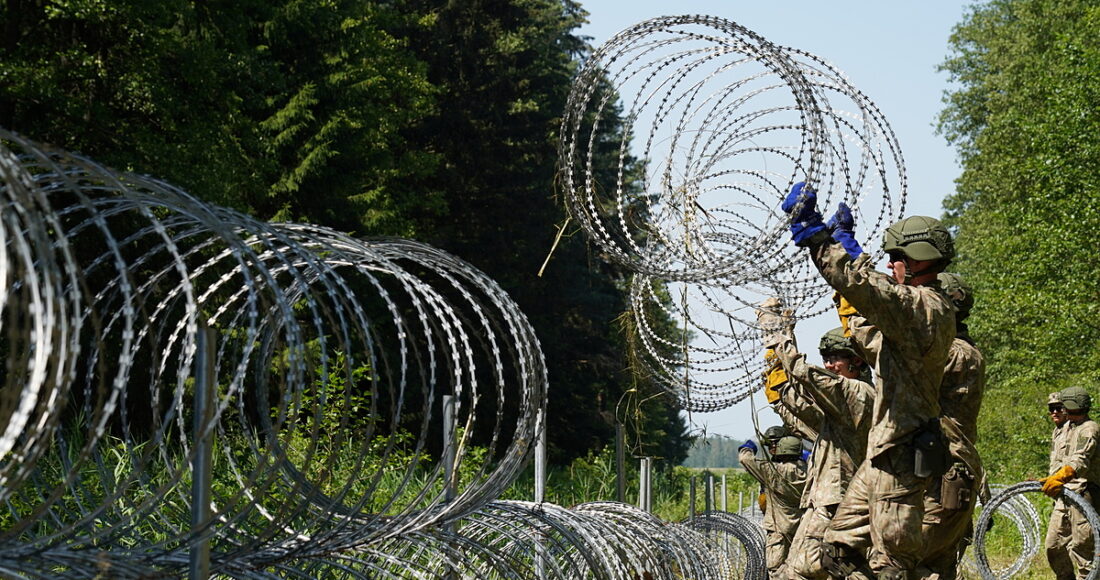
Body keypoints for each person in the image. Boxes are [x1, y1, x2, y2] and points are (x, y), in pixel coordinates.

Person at [782, 183, 957, 578]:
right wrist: (851, 252)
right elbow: (866, 324)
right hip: (883, 455)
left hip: (901, 457)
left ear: (916, 260)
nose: (891, 264)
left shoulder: (924, 307)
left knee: (891, 565)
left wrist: (820, 239)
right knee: (838, 551)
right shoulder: (913, 314)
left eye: (895, 257)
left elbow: (868, 290)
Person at [757, 303, 874, 580]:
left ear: (857, 361)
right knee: (797, 571)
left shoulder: (858, 393)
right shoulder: (838, 405)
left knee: (809, 566)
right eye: (826, 359)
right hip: (825, 499)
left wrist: (779, 337)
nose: (830, 365)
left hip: (841, 502)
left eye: (836, 359)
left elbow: (806, 375)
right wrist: (777, 367)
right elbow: (800, 402)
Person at [911, 272, 987, 579]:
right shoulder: (957, 349)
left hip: (943, 472)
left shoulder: (955, 351)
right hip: (941, 469)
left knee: (914, 560)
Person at [1042, 386, 1100, 580]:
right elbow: (1061, 460)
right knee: (1053, 546)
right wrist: (1051, 478)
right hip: (1064, 495)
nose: (1058, 411)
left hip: (1084, 495)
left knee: (1083, 550)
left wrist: (1061, 476)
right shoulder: (1066, 428)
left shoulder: (1089, 428)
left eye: (1061, 406)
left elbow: (1080, 460)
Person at [739, 434, 808, 580]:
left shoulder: (773, 471)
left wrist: (749, 446)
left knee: (776, 572)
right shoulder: (810, 471)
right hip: (803, 531)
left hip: (778, 532)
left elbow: (745, 459)